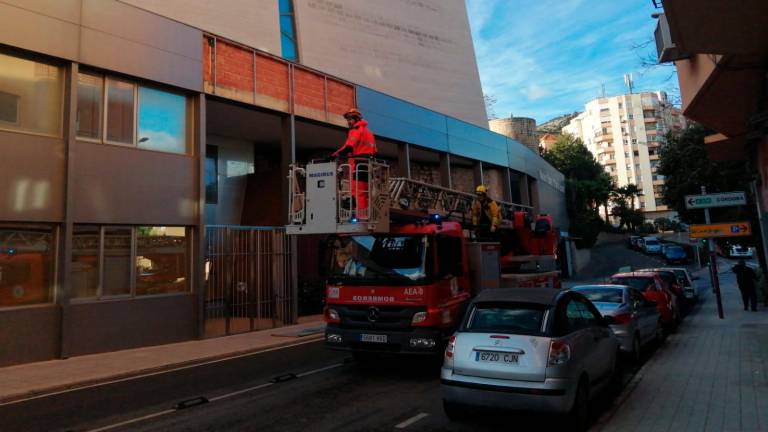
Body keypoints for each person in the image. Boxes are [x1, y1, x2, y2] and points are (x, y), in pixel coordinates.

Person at [331, 108, 377, 216]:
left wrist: (333, 156)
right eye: (348, 119)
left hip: (358, 165)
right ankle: (367, 215)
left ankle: (361, 217)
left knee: (358, 193)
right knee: (366, 193)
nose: (348, 122)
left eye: (350, 119)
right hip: (368, 166)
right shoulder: (370, 133)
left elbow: (348, 147)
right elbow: (374, 151)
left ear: (357, 119)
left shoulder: (355, 130)